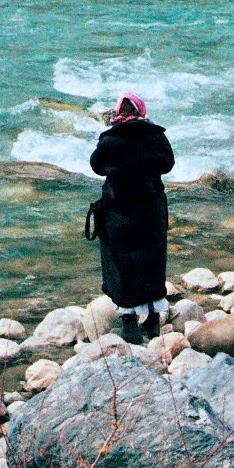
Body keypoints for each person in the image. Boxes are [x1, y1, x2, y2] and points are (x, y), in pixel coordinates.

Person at [86, 93, 176, 344]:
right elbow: (168, 164)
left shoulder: (110, 139)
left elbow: (96, 165)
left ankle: (129, 324)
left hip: (119, 212)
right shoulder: (156, 136)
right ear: (141, 111)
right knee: (151, 261)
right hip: (151, 210)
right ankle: (152, 321)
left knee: (121, 264)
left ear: (118, 112)